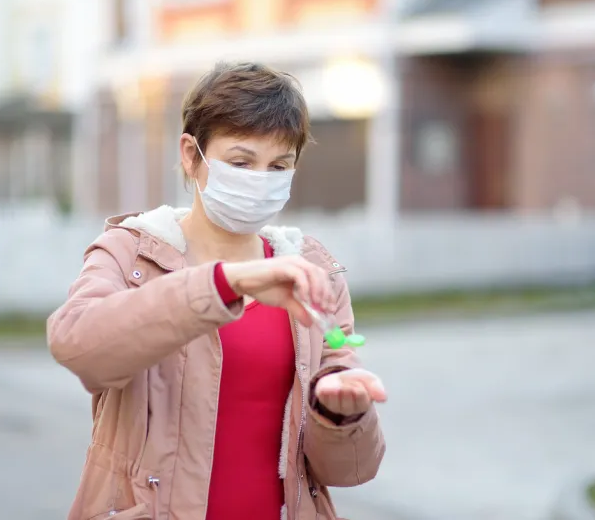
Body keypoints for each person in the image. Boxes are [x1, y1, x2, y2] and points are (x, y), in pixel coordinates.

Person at [47, 61, 387, 520]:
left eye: (279, 165)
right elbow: (78, 346)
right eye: (242, 162)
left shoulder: (311, 271)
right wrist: (225, 282)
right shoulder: (132, 255)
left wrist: (342, 415)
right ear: (191, 154)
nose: (260, 180)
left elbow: (349, 470)